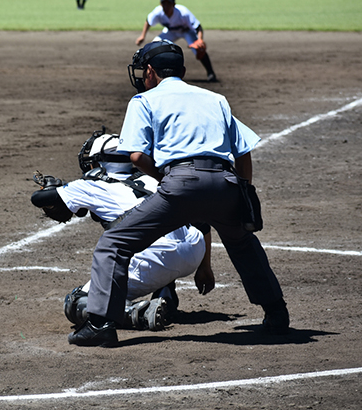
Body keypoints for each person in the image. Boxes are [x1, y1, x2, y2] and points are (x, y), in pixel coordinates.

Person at [67, 41, 289, 347]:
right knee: (242, 244)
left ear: (150, 71)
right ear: (182, 71)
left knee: (115, 242)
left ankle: (101, 323)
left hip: (179, 185)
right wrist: (244, 190)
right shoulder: (215, 99)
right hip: (225, 183)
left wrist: (170, 179)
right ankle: (277, 313)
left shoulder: (144, 100)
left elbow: (134, 156)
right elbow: (243, 150)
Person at [31, 131, 214, 332]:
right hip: (195, 251)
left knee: (77, 303)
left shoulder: (90, 184)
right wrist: (204, 267)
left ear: (99, 161)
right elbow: (201, 221)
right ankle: (165, 292)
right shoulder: (153, 177)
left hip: (156, 261)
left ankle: (139, 314)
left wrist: (48, 189)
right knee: (162, 232)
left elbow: (42, 200)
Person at [136, 0, 217, 82]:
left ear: (174, 4)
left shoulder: (183, 13)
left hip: (186, 32)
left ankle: (210, 73)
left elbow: (198, 27)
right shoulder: (158, 12)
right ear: (160, 4)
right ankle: (153, 74)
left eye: (168, 3)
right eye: (164, 3)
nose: (166, 6)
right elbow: (148, 21)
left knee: (198, 49)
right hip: (170, 32)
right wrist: (142, 36)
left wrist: (200, 40)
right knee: (155, 45)